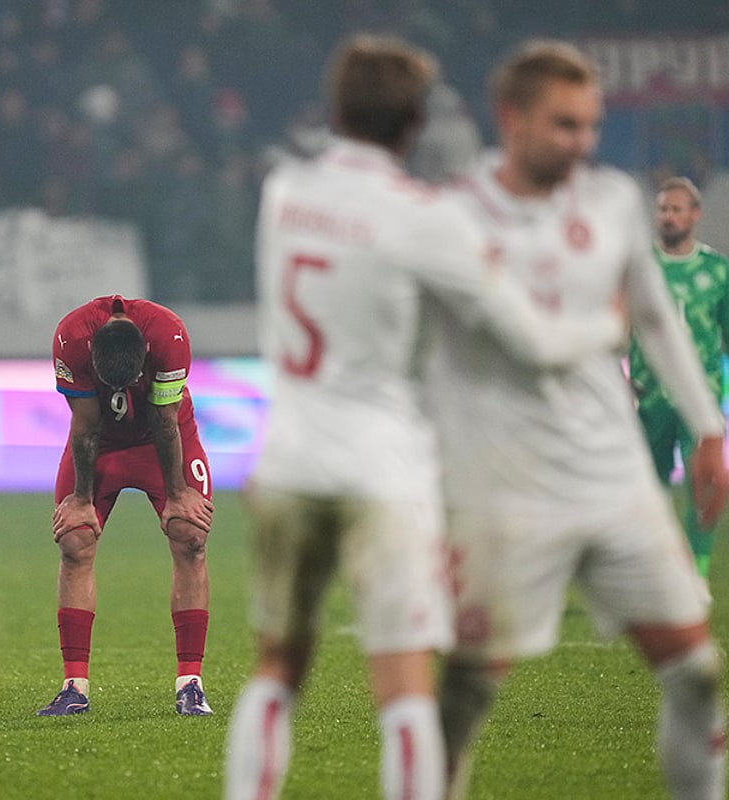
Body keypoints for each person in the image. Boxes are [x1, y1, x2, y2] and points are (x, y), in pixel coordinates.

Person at [223, 34, 628, 800]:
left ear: (336, 109)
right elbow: (531, 341)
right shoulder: (425, 218)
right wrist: (606, 324)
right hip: (383, 470)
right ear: (415, 123)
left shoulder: (284, 193)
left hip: (289, 459)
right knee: (406, 691)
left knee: (276, 669)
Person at [426, 41, 729, 800]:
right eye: (565, 125)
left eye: (591, 126)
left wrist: (707, 428)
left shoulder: (610, 202)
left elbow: (655, 319)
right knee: (469, 688)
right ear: (513, 119)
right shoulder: (458, 216)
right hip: (507, 487)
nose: (583, 143)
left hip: (613, 478)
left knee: (695, 674)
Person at [40, 294, 216, 716]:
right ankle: (74, 687)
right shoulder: (70, 337)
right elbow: (84, 427)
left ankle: (190, 684)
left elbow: (165, 418)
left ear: (145, 357)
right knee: (75, 540)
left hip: (164, 438)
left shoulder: (169, 335)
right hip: (101, 444)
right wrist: (81, 500)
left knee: (190, 536)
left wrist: (177, 494)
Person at [629, 176, 729, 580]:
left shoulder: (716, 269)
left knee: (703, 483)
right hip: (649, 396)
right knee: (648, 490)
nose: (668, 216)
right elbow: (611, 327)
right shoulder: (639, 268)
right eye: (663, 208)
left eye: (677, 209)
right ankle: (656, 572)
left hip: (703, 399)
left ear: (695, 215)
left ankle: (696, 574)